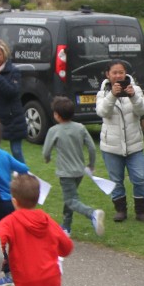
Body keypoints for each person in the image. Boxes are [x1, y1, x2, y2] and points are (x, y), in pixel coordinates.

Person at [0, 174, 74, 286]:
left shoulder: (9, 222)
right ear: (37, 198)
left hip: (27, 285)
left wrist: (0, 261)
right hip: (51, 281)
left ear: (14, 201)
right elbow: (67, 248)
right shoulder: (47, 220)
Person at [96, 60, 144, 223]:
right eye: (115, 72)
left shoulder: (135, 89)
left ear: (126, 73)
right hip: (111, 147)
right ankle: (121, 210)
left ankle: (141, 212)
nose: (118, 75)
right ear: (108, 75)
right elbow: (102, 112)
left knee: (140, 178)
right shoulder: (103, 93)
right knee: (116, 180)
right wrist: (112, 95)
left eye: (121, 72)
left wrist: (133, 96)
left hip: (134, 144)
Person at [43, 96, 104, 236]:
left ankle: (92, 214)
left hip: (65, 173)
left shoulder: (54, 130)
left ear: (57, 115)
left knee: (71, 200)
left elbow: (46, 151)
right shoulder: (80, 128)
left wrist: (47, 158)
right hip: (79, 172)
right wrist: (91, 164)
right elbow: (92, 148)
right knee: (70, 198)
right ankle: (66, 227)